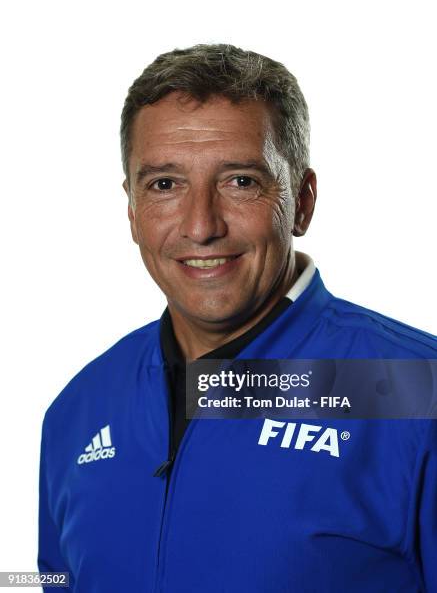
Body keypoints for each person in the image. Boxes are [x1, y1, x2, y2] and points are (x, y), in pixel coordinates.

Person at [38, 44, 437, 592]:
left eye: (241, 181)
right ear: (131, 210)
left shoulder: (415, 390)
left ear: (302, 200)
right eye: (164, 184)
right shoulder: (76, 409)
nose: (201, 226)